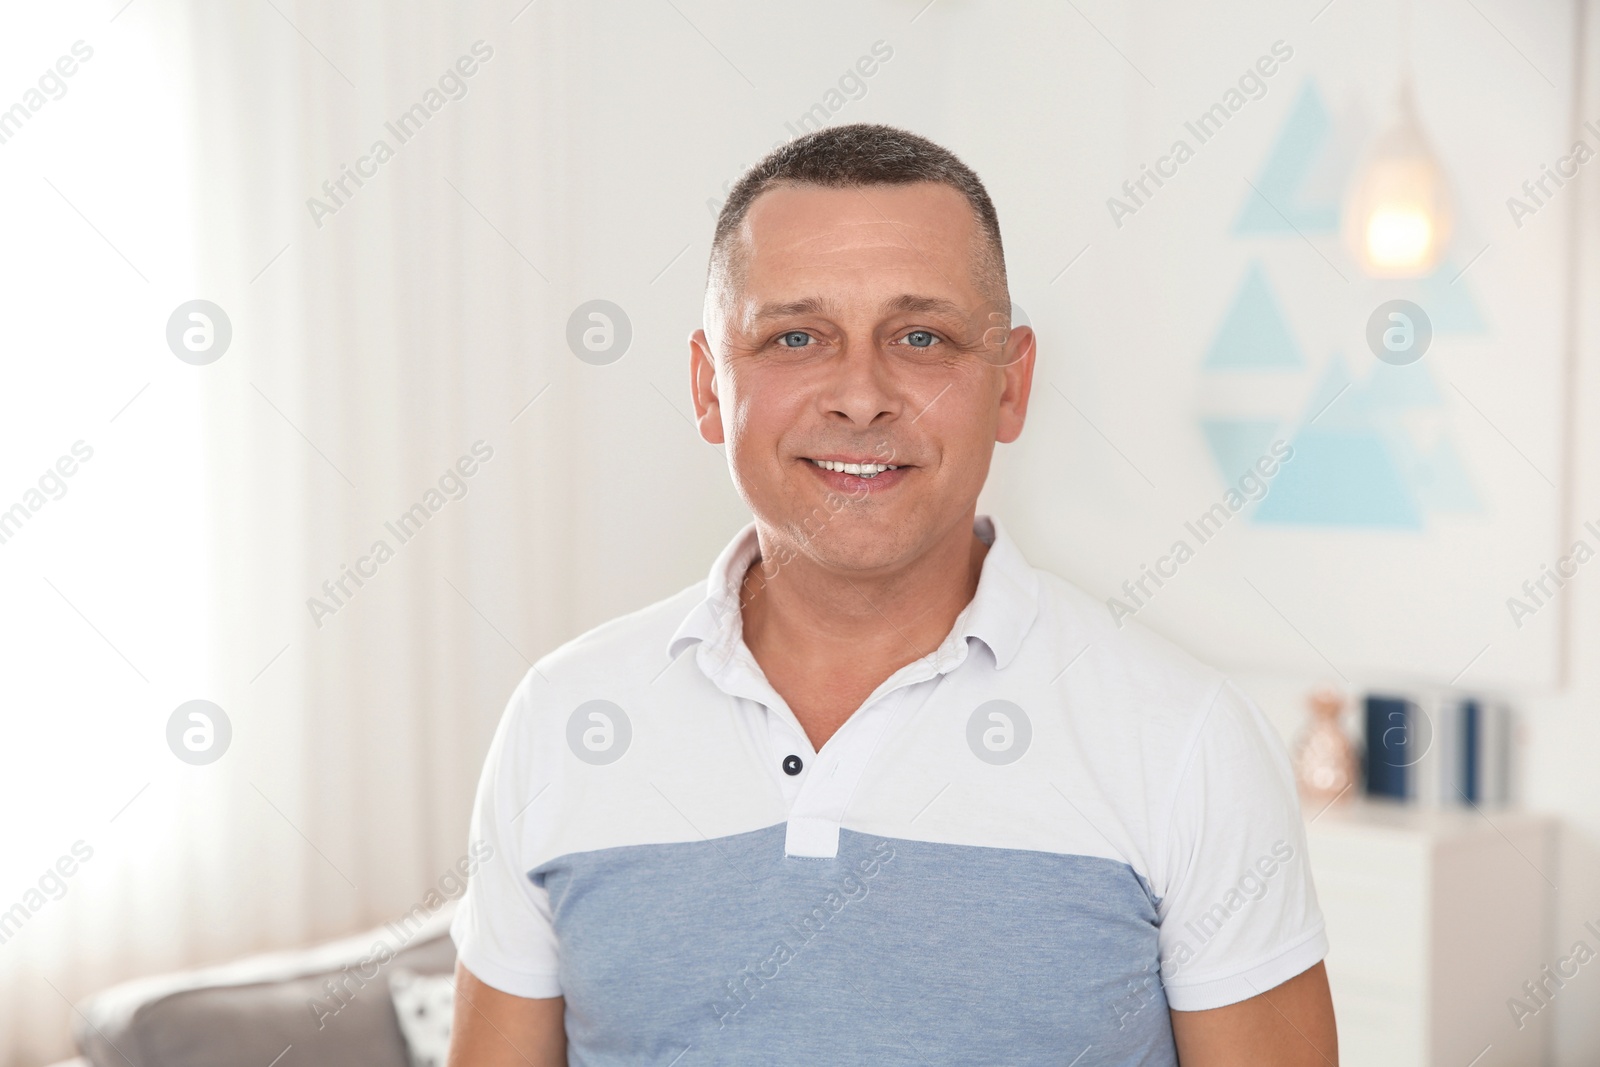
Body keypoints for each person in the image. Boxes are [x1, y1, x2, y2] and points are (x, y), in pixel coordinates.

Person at [446, 123, 1336, 1066]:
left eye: (922, 336)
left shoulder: (1186, 740)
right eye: (796, 336)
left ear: (1010, 383)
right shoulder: (562, 716)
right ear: (711, 389)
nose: (862, 395)